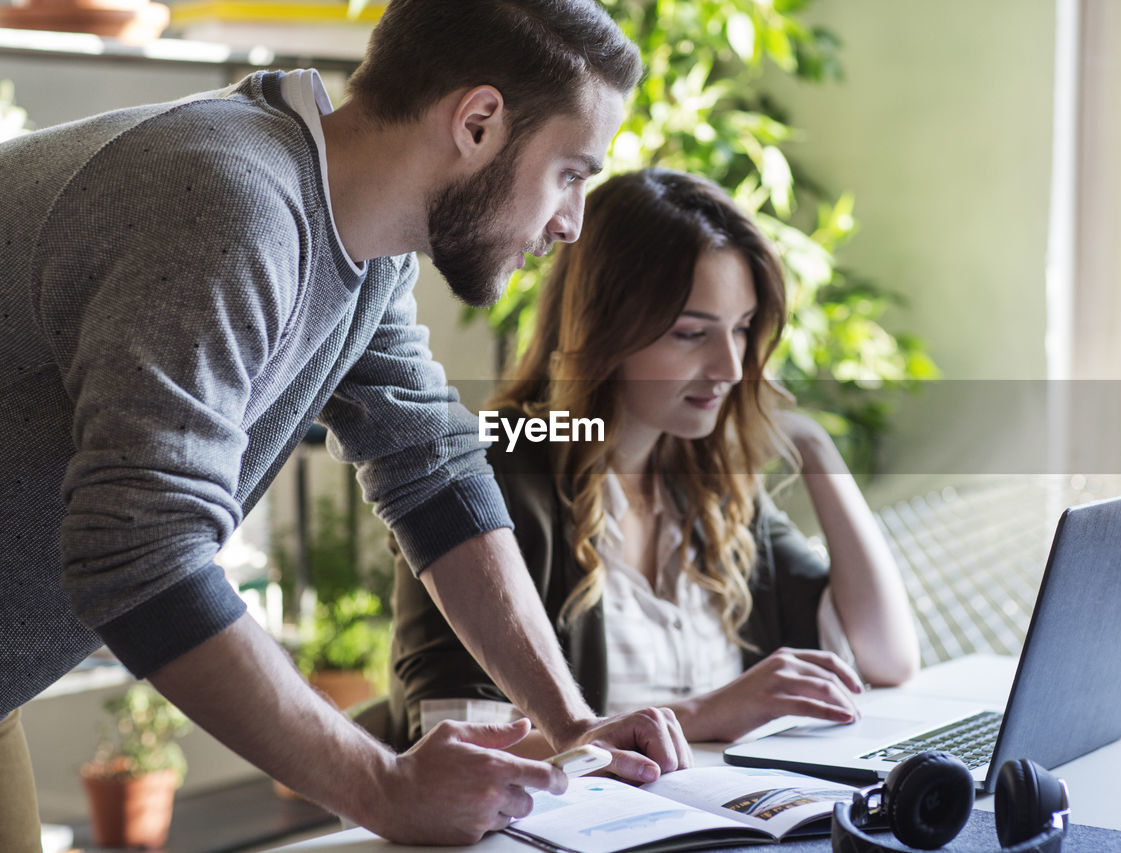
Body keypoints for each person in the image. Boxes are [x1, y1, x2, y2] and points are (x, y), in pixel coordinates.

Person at [0, 3, 693, 849]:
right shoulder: (224, 204)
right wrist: (387, 788)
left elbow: (432, 471)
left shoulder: (367, 244)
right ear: (477, 121)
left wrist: (572, 718)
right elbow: (138, 553)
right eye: (571, 173)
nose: (571, 223)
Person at [388, 169, 921, 756]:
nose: (730, 368)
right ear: (605, 328)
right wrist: (700, 716)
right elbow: (452, 750)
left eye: (741, 330)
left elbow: (888, 655)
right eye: (692, 334)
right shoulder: (489, 477)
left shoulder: (706, 486)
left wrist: (815, 446)